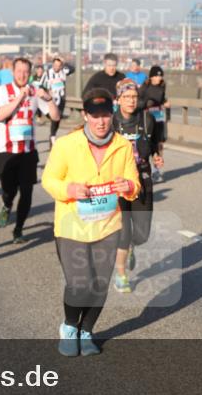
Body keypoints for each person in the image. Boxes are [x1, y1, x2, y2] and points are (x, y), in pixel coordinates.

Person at [42, 88, 141, 356]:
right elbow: (49, 180)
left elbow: (135, 184)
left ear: (113, 114)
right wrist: (69, 190)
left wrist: (128, 184)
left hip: (108, 225)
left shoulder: (122, 145)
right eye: (95, 116)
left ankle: (87, 330)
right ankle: (70, 326)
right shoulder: (66, 144)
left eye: (106, 115)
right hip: (71, 224)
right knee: (80, 283)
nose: (101, 122)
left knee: (100, 283)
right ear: (85, 115)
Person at [0, 57, 60, 244]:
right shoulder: (3, 91)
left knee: (27, 191)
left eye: (25, 72)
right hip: (5, 151)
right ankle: (6, 205)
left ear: (29, 73)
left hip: (28, 152)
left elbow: (55, 116)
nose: (22, 75)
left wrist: (49, 99)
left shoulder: (36, 92)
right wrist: (20, 97)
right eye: (19, 71)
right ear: (13, 72)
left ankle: (18, 229)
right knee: (9, 190)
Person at [111, 79, 163, 292]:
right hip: (118, 182)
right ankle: (121, 273)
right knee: (122, 230)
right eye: (127, 97)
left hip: (142, 179)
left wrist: (157, 157)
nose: (131, 101)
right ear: (118, 100)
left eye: (134, 97)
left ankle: (132, 246)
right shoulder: (110, 122)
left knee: (142, 234)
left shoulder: (147, 119)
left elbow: (155, 144)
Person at [138, 65, 169, 181]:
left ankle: (156, 170)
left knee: (159, 144)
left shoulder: (162, 86)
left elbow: (161, 98)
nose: (158, 78)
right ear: (151, 77)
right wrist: (147, 104)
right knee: (147, 143)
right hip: (147, 119)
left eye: (160, 76)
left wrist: (165, 102)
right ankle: (144, 169)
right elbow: (139, 100)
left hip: (159, 119)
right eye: (156, 76)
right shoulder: (144, 87)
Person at [45, 57, 71, 147]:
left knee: (58, 118)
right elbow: (43, 84)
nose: (57, 67)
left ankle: (52, 135)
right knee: (54, 118)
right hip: (52, 99)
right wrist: (47, 93)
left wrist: (64, 61)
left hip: (62, 98)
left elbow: (73, 68)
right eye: (55, 65)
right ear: (53, 65)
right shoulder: (48, 72)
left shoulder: (63, 71)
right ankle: (52, 138)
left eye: (59, 65)